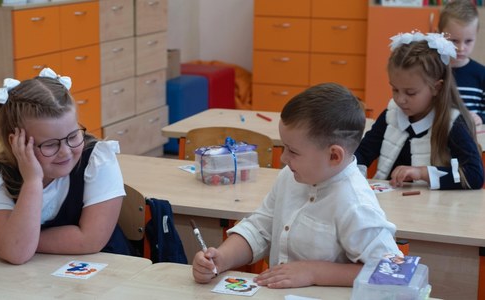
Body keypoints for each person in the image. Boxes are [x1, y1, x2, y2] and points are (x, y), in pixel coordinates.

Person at [192, 83, 402, 288]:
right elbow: (260, 229)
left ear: (334, 156)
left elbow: (392, 270)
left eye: (293, 151)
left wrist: (313, 272)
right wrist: (222, 258)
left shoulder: (356, 203)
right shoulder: (291, 176)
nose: (283, 158)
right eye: (284, 147)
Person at [0, 68, 132, 265]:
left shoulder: (98, 159)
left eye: (73, 136)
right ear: (17, 143)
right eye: (50, 144)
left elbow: (90, 241)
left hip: (107, 272)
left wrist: (15, 242)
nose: (65, 151)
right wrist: (32, 182)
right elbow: (16, 255)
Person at [355, 31, 484, 190]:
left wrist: (423, 173)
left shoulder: (452, 122)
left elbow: (474, 176)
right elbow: (362, 154)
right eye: (395, 89)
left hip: (432, 210)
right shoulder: (392, 113)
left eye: (410, 93)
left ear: (437, 88)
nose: (400, 99)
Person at [439, 0, 485, 126]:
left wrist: (481, 118)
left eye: (468, 41)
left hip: (473, 140)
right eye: (454, 40)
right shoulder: (433, 70)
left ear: (476, 36)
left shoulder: (481, 74)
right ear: (440, 35)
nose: (461, 48)